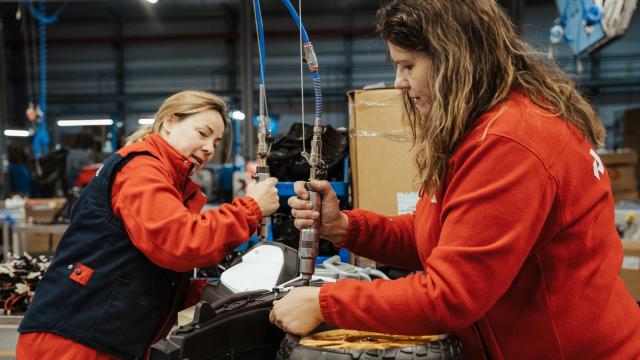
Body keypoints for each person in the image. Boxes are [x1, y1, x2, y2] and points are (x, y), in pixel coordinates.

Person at [269, 1, 640, 359]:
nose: (399, 82)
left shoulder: (509, 143)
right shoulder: (484, 130)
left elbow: (451, 295)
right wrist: (346, 226)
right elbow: (445, 239)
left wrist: (327, 303)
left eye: (408, 65)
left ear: (454, 59)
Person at [17, 90, 280, 359]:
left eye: (216, 141)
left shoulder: (165, 178)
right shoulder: (143, 170)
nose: (210, 148)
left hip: (98, 336)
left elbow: (141, 262)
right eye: (203, 133)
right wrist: (251, 208)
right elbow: (180, 244)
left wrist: (204, 291)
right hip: (75, 341)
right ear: (169, 121)